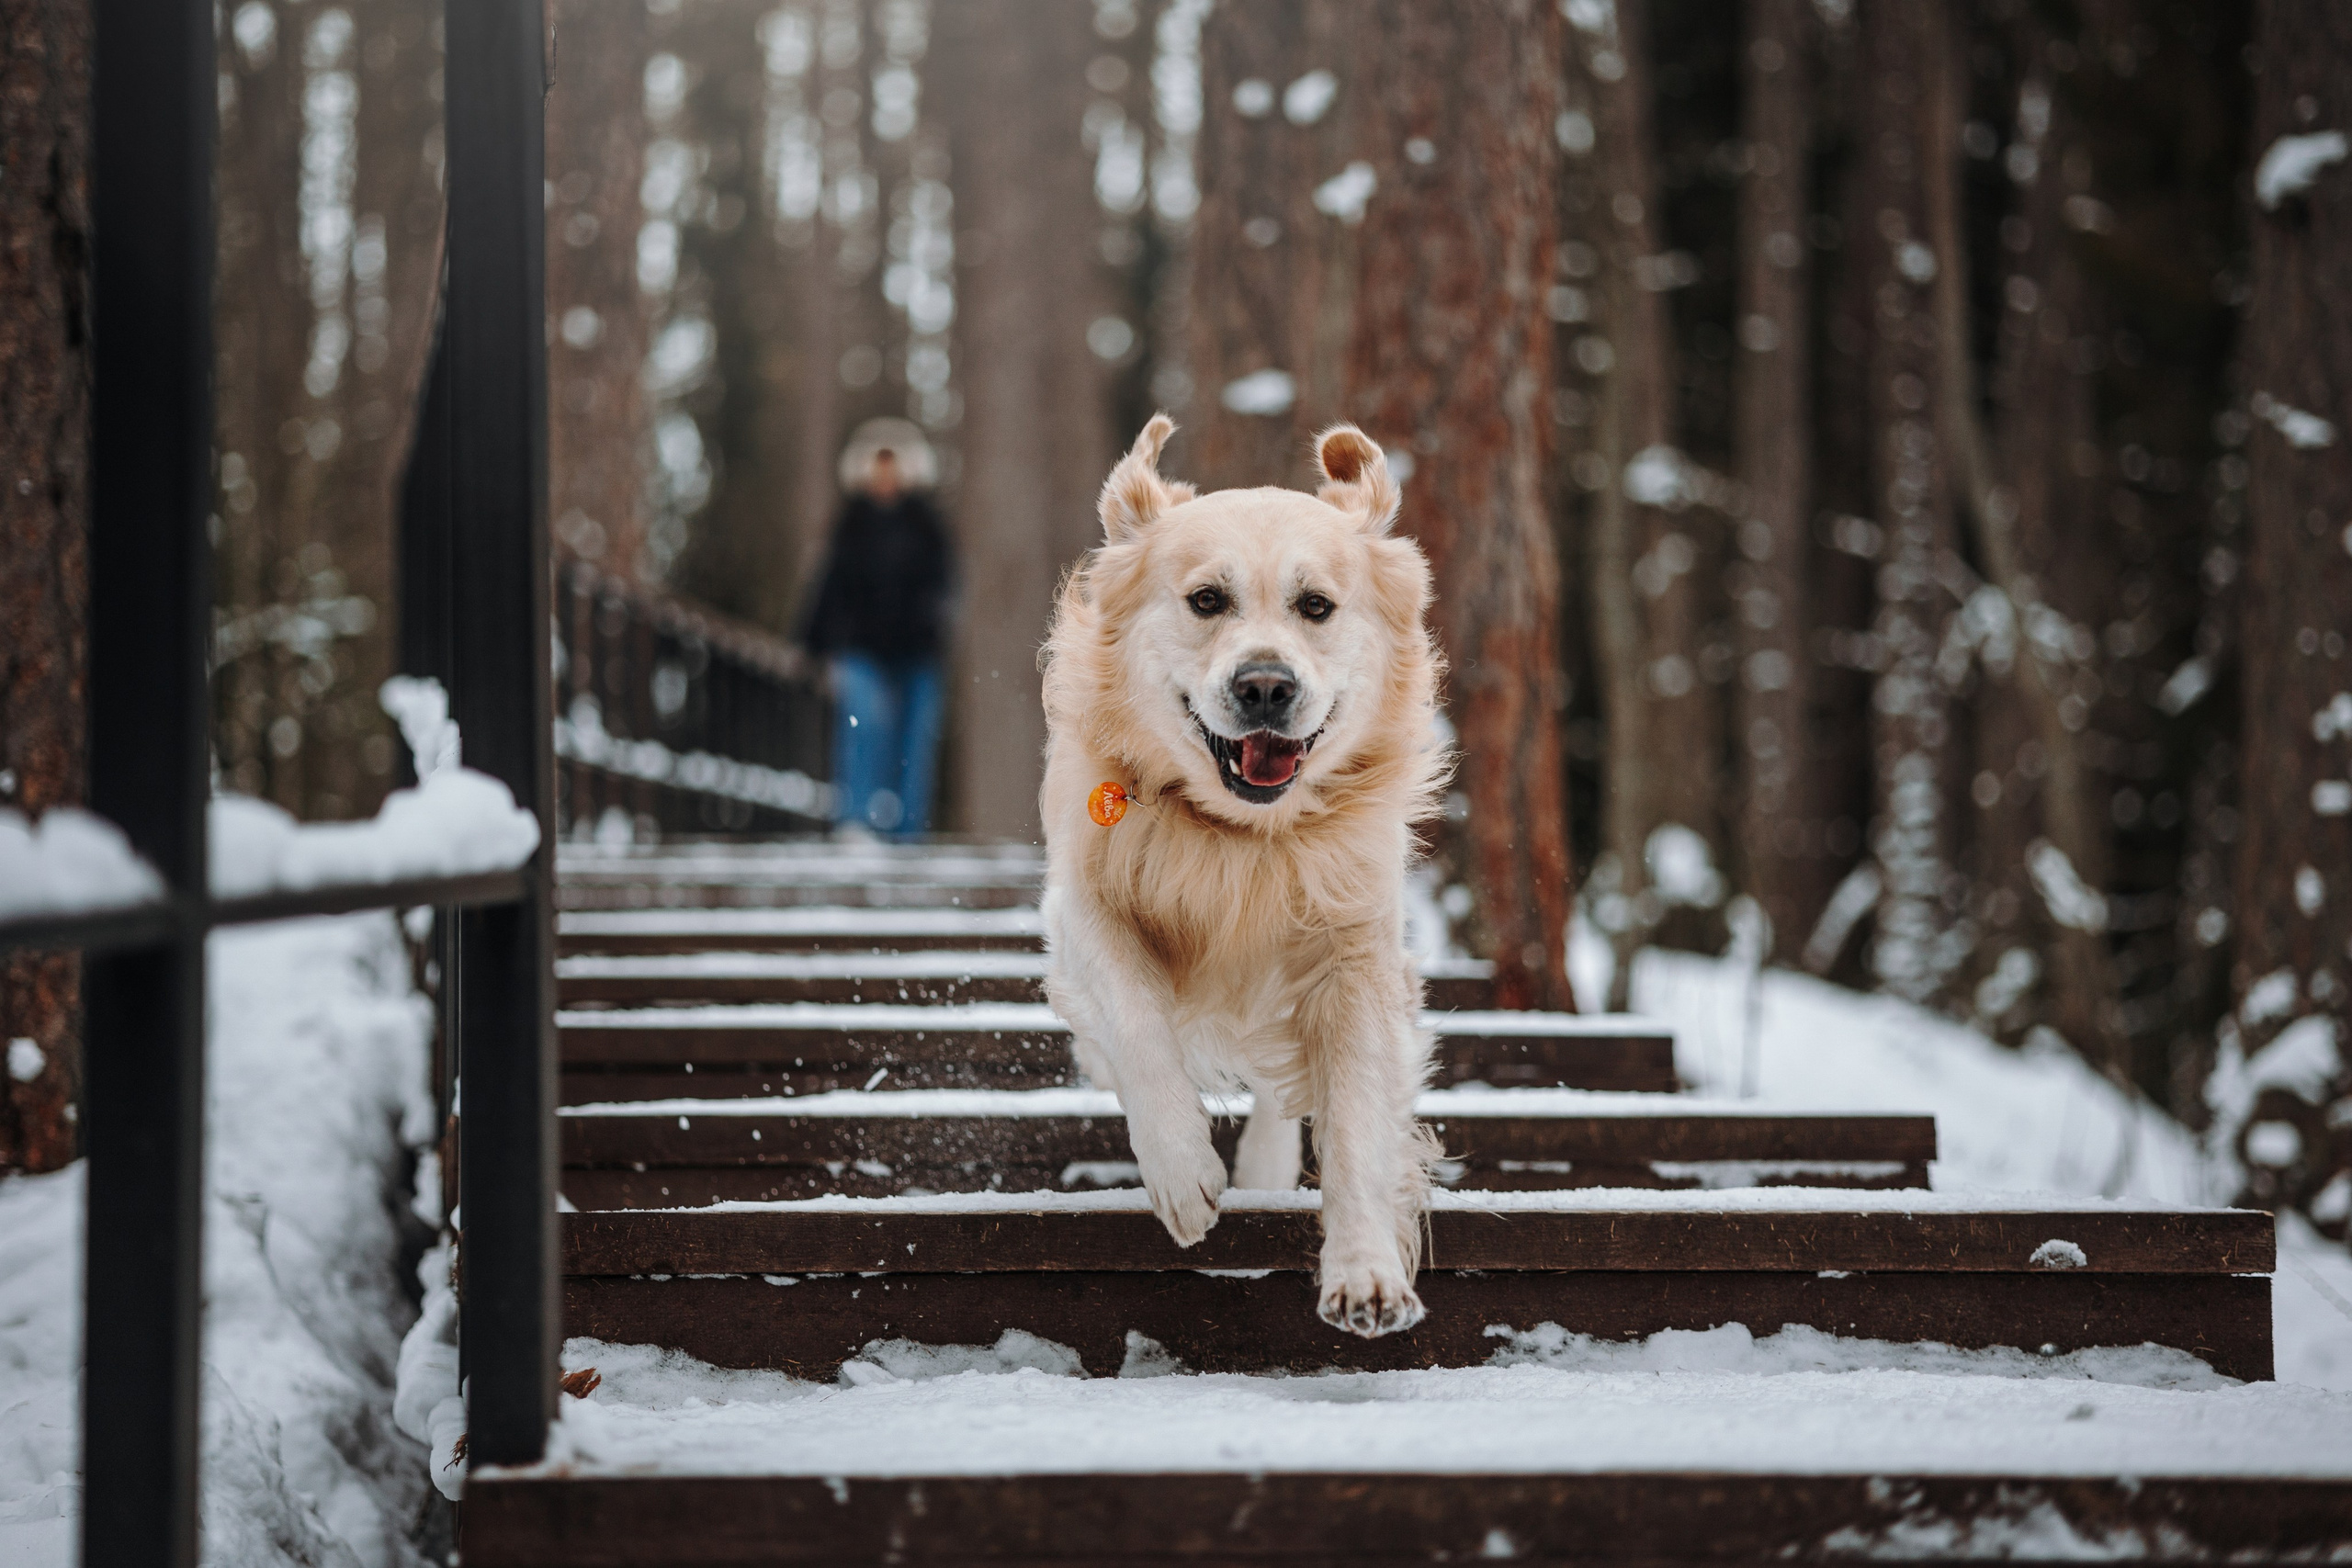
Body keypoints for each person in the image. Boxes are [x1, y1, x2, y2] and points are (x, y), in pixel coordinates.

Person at [800, 418, 957, 838]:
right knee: (861, 728)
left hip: (917, 650)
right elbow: (829, 582)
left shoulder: (928, 525)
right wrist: (812, 640)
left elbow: (945, 587)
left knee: (914, 745)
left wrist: (932, 622)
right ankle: (856, 823)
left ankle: (908, 833)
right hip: (862, 648)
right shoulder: (850, 524)